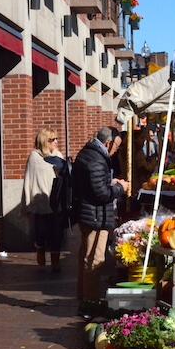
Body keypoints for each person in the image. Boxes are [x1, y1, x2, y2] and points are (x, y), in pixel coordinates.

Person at [71, 126, 130, 320]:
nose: (116, 151)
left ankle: (84, 300)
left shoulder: (89, 154)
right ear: (108, 143)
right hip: (95, 216)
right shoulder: (96, 159)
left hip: (90, 214)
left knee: (86, 257)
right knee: (94, 260)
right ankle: (91, 303)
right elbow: (101, 194)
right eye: (117, 146)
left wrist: (110, 184)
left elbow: (97, 186)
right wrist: (120, 188)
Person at [21, 128, 66, 272]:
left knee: (57, 233)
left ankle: (55, 261)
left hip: (56, 201)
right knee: (41, 232)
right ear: (45, 141)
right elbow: (29, 179)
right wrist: (27, 203)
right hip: (40, 201)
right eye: (53, 139)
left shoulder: (58, 156)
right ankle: (39, 247)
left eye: (56, 139)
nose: (56, 142)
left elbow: (64, 177)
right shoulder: (34, 157)